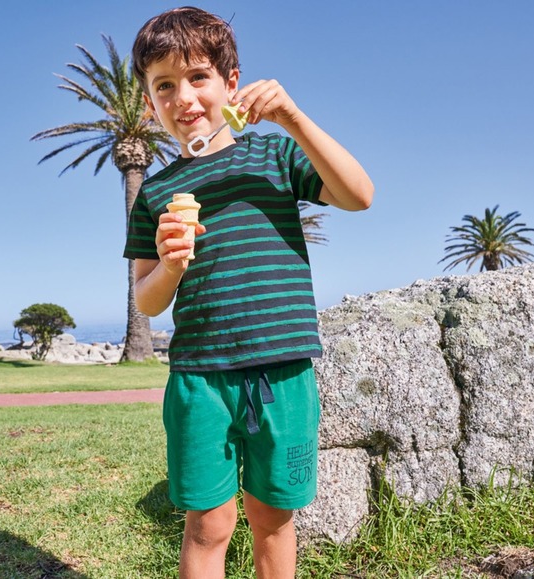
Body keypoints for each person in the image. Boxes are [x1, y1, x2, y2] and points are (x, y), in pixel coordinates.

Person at [124, 7, 374, 578]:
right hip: (198, 379)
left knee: (273, 517)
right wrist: (169, 266)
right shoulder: (155, 193)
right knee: (207, 525)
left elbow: (359, 195)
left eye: (197, 77)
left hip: (284, 373)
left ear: (231, 83)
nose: (182, 96)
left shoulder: (276, 157)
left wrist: (291, 117)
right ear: (148, 102)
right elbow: (146, 300)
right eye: (163, 85)